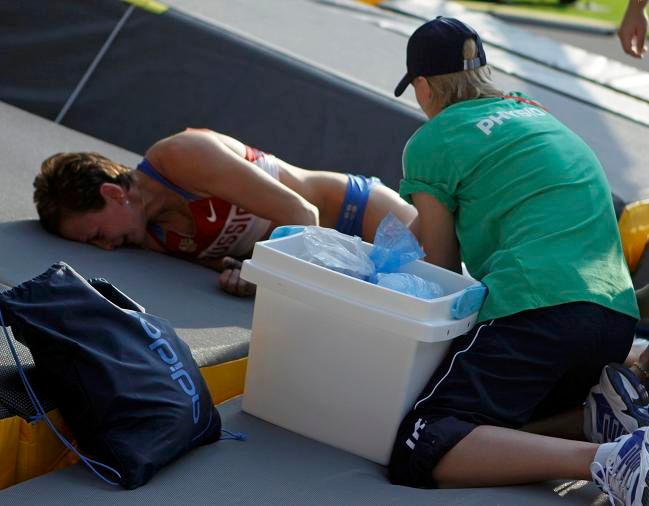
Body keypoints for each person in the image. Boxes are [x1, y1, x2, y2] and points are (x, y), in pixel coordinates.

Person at [389, 17, 648, 503]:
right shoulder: (536, 114)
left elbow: (439, 270)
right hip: (613, 316)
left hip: (536, 308)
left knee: (422, 440)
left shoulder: (435, 138)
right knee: (506, 421)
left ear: (422, 86)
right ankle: (599, 417)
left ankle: (610, 460)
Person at [33, 129, 416, 296]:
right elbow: (236, 264)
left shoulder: (180, 156)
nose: (106, 248)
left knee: (458, 293)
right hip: (325, 266)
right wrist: (241, 277)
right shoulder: (149, 238)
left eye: (96, 235)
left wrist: (263, 276)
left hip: (361, 214)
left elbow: (302, 214)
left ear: (114, 194)